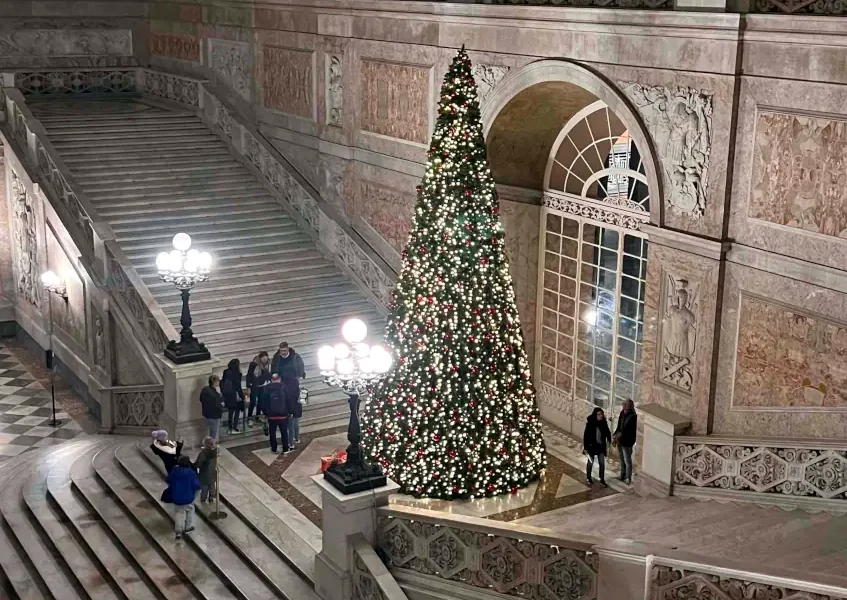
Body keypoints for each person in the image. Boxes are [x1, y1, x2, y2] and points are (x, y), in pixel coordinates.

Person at [167, 455, 201, 539]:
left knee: (179, 513)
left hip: (177, 498)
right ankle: (188, 527)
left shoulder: (175, 471)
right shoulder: (191, 473)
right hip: (188, 498)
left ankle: (178, 532)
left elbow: (168, 480)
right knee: (190, 511)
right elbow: (196, 486)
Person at [583, 407, 611, 486]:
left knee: (602, 463)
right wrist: (585, 447)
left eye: (601, 414)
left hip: (600, 446)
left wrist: (609, 440)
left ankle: (602, 479)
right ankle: (588, 477)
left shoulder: (604, 423)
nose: (600, 416)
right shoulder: (590, 423)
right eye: (599, 414)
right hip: (591, 446)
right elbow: (586, 436)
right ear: (595, 415)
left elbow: (608, 432)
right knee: (590, 462)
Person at [613, 399, 638, 485]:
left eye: (625, 404)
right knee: (621, 459)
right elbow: (619, 426)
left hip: (627, 441)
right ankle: (622, 475)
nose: (623, 405)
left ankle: (628, 477)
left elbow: (630, 430)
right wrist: (615, 434)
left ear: (629, 406)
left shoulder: (633, 417)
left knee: (627, 460)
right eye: (623, 404)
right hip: (620, 440)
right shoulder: (622, 413)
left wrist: (621, 434)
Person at [264, 373, 290, 454]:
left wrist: (266, 413)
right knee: (284, 432)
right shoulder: (284, 387)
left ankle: (274, 448)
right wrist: (290, 411)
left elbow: (263, 402)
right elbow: (288, 400)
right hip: (283, 415)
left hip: (271, 416)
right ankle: (285, 448)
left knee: (272, 433)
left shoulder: (267, 388)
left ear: (271, 380)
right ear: (280, 379)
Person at [246, 351, 271, 428]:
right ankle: (249, 417)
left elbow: (267, 374)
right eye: (263, 358)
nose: (264, 360)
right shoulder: (254, 364)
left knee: (261, 401)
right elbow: (249, 375)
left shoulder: (267, 364)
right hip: (254, 386)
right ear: (260, 358)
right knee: (253, 402)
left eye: (266, 358)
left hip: (262, 385)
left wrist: (269, 379)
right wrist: (248, 386)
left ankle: (258, 416)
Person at [221, 358, 245, 434]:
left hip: (228, 395)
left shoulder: (225, 371)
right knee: (237, 411)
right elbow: (238, 387)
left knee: (230, 412)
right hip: (234, 395)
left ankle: (230, 428)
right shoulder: (238, 374)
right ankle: (234, 427)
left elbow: (223, 383)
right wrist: (242, 396)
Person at [194, 437, 218, 503]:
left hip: (204, 474)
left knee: (204, 488)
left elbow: (198, 464)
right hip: (212, 472)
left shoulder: (203, 454)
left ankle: (203, 499)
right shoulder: (215, 451)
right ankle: (211, 498)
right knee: (212, 486)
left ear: (205, 444)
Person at [282, 370, 303, 449]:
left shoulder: (284, 387)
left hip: (289, 408)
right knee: (296, 423)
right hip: (297, 407)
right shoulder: (296, 385)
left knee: (290, 427)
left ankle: (290, 443)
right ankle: (296, 438)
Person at [199, 375, 223, 439]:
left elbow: (201, 399)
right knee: (213, 434)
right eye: (218, 381)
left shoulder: (204, 389)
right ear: (215, 382)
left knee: (208, 432)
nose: (219, 382)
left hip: (206, 414)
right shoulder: (216, 395)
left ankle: (207, 444)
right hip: (214, 417)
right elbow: (218, 406)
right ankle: (211, 446)